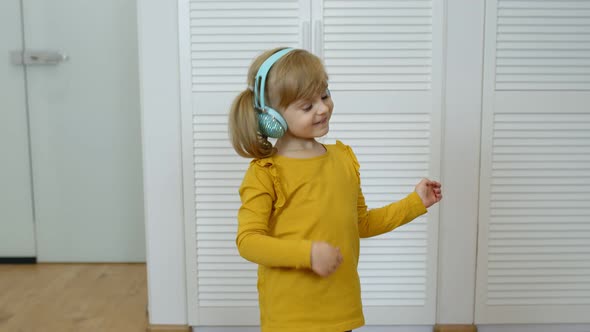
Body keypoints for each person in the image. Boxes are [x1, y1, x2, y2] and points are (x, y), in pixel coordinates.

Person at [228, 47, 442, 332]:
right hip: (290, 315)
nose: (323, 108)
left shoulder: (343, 159)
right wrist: (308, 254)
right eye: (307, 106)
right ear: (272, 117)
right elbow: (248, 241)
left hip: (341, 308)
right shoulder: (265, 173)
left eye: (325, 94)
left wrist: (414, 202)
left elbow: (361, 224)